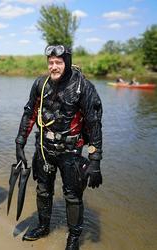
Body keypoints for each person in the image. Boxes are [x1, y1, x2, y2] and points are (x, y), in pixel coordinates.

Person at [15, 45, 103, 250]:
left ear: (68, 63)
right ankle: (43, 226)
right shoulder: (40, 84)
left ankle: (73, 238)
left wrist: (95, 161)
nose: (54, 67)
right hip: (44, 148)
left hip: (70, 152)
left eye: (59, 63)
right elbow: (29, 113)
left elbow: (94, 123)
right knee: (43, 190)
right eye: (51, 63)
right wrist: (20, 142)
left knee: (72, 195)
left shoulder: (84, 87)